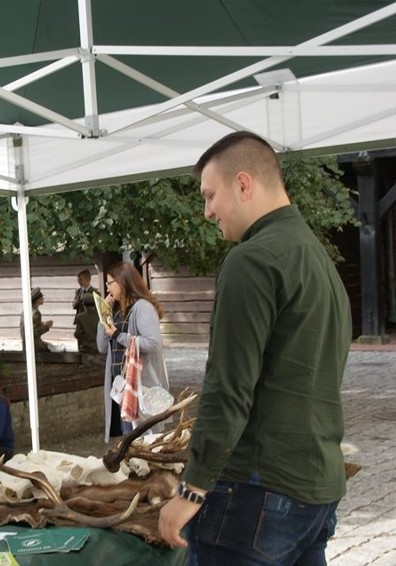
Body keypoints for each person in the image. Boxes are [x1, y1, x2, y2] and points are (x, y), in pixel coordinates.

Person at [158, 132, 352, 562]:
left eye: (210, 195)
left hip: (256, 488)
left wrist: (192, 488)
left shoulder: (252, 259)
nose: (207, 211)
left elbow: (228, 386)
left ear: (243, 184)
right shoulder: (318, 259)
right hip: (317, 489)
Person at [97, 262, 168, 437]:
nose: (108, 289)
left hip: (141, 390)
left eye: (109, 283)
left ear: (122, 282)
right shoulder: (119, 312)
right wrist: (103, 313)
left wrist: (119, 335)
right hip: (123, 391)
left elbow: (153, 344)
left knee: (144, 442)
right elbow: (102, 346)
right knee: (130, 443)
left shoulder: (142, 307)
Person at [20, 287, 52, 352]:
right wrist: (47, 326)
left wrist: (41, 324)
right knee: (54, 349)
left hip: (25, 345)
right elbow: (35, 333)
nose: (43, 298)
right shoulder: (36, 313)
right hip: (34, 347)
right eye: (41, 297)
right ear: (37, 300)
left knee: (49, 345)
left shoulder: (25, 311)